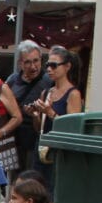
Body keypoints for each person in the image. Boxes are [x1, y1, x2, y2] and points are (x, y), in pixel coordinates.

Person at [33, 46, 83, 188]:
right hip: (42, 148)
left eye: (54, 65)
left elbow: (72, 129)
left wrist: (50, 112)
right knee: (37, 189)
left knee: (53, 190)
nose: (49, 69)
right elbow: (39, 128)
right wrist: (35, 115)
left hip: (58, 152)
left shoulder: (73, 94)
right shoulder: (46, 92)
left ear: (67, 67)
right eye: (47, 65)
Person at [5, 40, 51, 171]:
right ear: (20, 63)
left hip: (36, 141)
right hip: (14, 141)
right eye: (28, 62)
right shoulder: (12, 81)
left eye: (36, 61)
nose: (33, 66)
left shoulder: (49, 82)